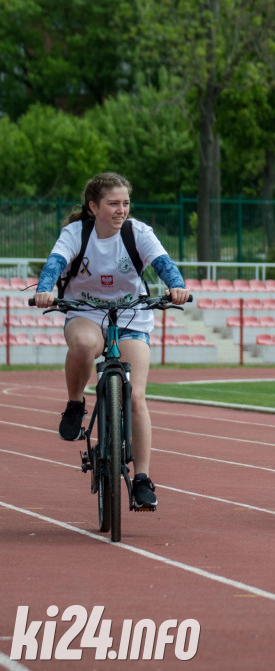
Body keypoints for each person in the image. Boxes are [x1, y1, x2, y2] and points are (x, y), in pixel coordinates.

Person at [33, 172, 190, 511]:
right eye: (113, 204)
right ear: (94, 206)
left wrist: (176, 286)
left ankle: (143, 479)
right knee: (85, 345)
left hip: (132, 316)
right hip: (85, 313)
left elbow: (164, 264)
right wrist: (45, 290)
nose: (121, 210)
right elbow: (55, 264)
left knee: (136, 396)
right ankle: (76, 403)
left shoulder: (138, 233)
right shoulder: (77, 234)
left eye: (126, 203)